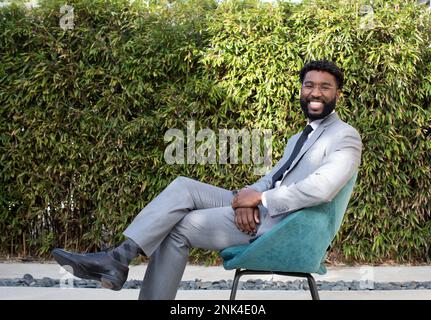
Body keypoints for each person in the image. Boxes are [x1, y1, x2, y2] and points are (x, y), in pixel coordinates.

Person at [52, 60, 362, 300]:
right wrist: (249, 196)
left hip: (284, 226)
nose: (316, 93)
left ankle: (120, 268)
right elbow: (272, 177)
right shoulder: (300, 136)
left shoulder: (344, 135)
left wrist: (261, 201)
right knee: (184, 186)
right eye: (309, 85)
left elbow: (322, 188)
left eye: (325, 86)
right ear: (301, 90)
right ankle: (118, 257)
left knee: (178, 227)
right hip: (266, 210)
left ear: (337, 93)